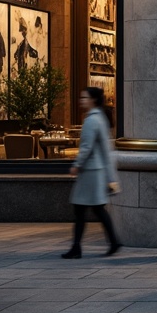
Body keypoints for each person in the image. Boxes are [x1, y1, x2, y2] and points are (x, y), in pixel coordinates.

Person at [62, 87, 121, 259]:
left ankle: (77, 248)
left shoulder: (91, 121)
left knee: (83, 210)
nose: (81, 100)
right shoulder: (100, 118)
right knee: (95, 209)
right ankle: (111, 242)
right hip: (96, 171)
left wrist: (77, 165)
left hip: (90, 172)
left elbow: (86, 147)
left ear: (93, 100)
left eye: (84, 97)